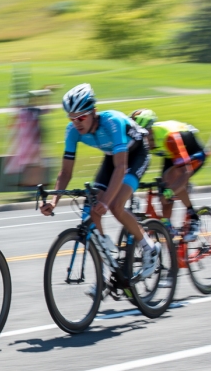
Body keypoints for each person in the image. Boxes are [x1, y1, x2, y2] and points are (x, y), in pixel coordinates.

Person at [39, 83, 160, 279]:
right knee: (93, 207)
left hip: (136, 155)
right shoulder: (72, 131)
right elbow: (66, 171)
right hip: (113, 156)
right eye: (72, 118)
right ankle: (106, 268)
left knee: (115, 205)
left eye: (81, 117)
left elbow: (121, 167)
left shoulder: (112, 123)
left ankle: (149, 248)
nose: (77, 123)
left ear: (94, 112)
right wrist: (54, 202)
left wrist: (106, 202)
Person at [129, 109, 207, 242]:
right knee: (163, 188)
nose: (140, 140)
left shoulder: (169, 137)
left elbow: (185, 171)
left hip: (193, 152)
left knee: (173, 182)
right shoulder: (141, 140)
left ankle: (194, 218)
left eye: (143, 136)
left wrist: (171, 192)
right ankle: (167, 226)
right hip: (171, 155)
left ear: (151, 131)